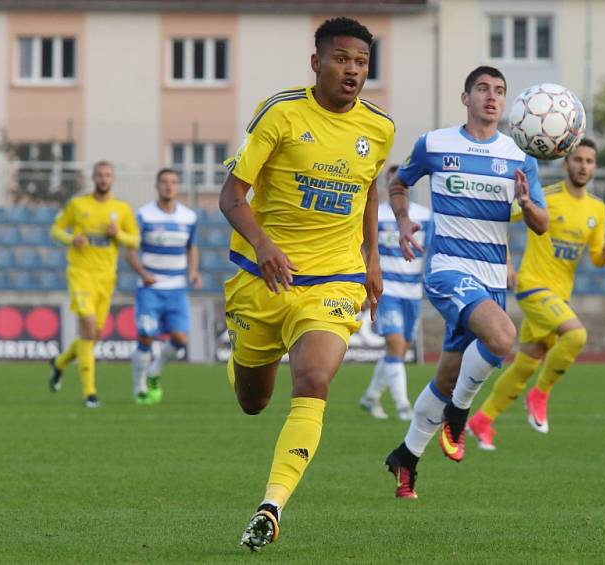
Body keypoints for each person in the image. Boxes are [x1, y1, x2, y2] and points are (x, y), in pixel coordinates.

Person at [219, 17, 394, 550]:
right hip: (263, 279)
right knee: (253, 401)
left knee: (314, 378)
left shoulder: (379, 127)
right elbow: (231, 197)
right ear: (316, 62)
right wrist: (265, 245)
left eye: (361, 62)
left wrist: (372, 258)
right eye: (342, 58)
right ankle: (242, 357)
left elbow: (367, 194)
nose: (352, 70)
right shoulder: (281, 113)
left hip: (334, 281)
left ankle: (271, 506)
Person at [383, 65, 549, 499]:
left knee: (446, 376)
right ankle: (459, 415)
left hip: (492, 280)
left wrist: (527, 204)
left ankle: (406, 458)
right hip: (447, 269)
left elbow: (542, 224)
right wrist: (402, 221)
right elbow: (398, 184)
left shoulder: (520, 157)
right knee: (503, 335)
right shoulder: (436, 144)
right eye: (482, 89)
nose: (491, 97)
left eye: (499, 91)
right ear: (466, 98)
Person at [466, 138, 605, 450]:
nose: (583, 166)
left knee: (525, 365)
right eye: (577, 160)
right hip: (533, 286)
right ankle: (540, 394)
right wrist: (506, 261)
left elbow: (594, 257)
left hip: (560, 296)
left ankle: (482, 420)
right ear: (566, 163)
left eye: (589, 161)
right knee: (576, 336)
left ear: (595, 167)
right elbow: (498, 220)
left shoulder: (597, 209)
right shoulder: (545, 196)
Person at [47, 161, 140, 408]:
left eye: (108, 175)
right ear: (93, 177)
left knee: (93, 335)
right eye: (99, 175)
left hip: (106, 278)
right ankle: (90, 393)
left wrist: (117, 234)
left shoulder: (121, 209)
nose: (103, 179)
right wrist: (70, 238)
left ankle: (59, 363)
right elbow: (55, 229)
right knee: (88, 326)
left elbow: (135, 240)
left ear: (113, 178)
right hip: (80, 274)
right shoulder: (78, 205)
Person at [359, 164, 432, 421]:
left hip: (412, 292)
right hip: (386, 290)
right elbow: (364, 250)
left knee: (398, 351)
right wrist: (364, 289)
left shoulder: (424, 217)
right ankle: (403, 406)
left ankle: (370, 397)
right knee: (395, 344)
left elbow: (432, 252)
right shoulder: (375, 216)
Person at [126, 168, 202, 405]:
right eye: (164, 182)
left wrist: (193, 272)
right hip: (150, 288)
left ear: (178, 187)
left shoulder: (188, 217)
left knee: (181, 340)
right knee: (146, 337)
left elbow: (192, 247)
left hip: (177, 288)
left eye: (173, 182)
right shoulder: (144, 215)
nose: (169, 186)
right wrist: (142, 273)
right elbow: (130, 249)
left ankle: (155, 370)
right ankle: (139, 387)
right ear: (157, 186)